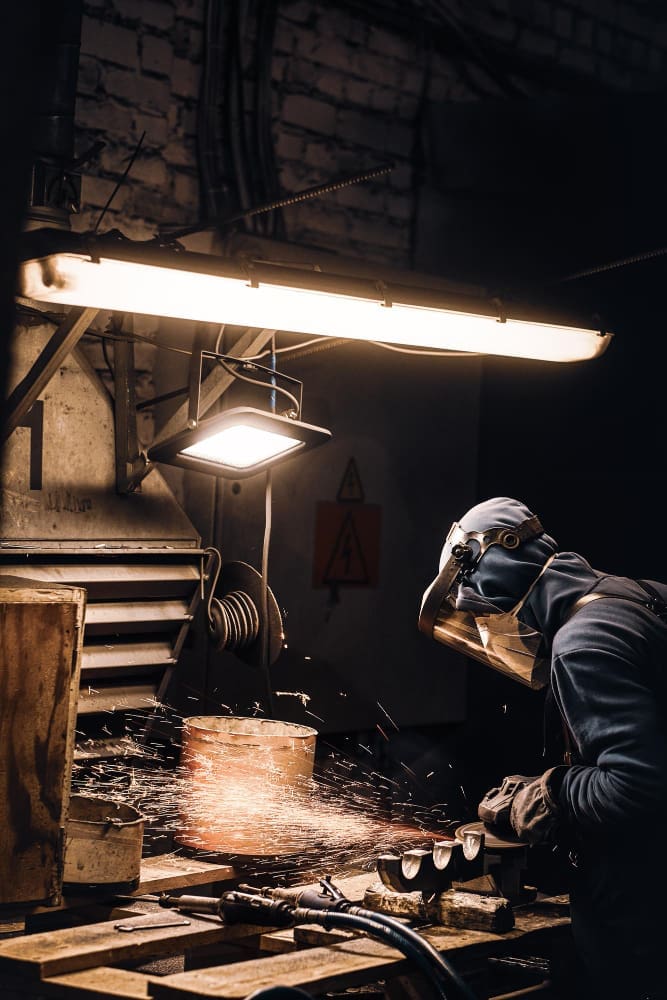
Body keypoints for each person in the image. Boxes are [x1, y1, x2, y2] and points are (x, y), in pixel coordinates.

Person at [418, 497, 667, 1000]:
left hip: (647, 915)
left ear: (491, 580)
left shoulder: (583, 642)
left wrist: (547, 795)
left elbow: (640, 786)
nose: (485, 631)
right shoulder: (634, 596)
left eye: (479, 615)